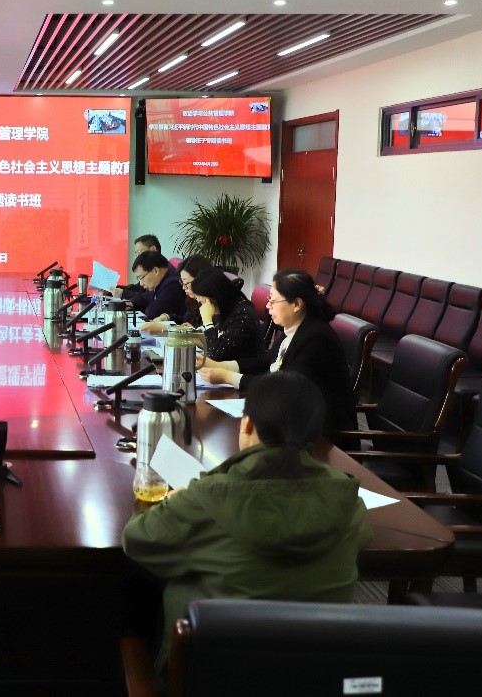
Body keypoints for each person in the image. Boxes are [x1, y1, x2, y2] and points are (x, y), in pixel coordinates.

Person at [122, 371, 372, 669]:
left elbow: (137, 540)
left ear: (247, 423)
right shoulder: (347, 499)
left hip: (209, 677)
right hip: (313, 677)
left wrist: (177, 501)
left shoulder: (208, 498)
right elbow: (364, 535)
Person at [199, 268, 355, 433]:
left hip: (319, 432)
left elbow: (285, 389)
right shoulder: (295, 327)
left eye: (273, 301)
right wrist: (222, 365)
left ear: (296, 304)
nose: (268, 306)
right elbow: (266, 360)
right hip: (291, 417)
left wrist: (228, 377)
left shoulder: (316, 338)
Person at [168, 267, 265, 362]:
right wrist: (191, 335)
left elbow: (216, 354)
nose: (202, 307)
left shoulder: (242, 314)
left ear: (214, 296)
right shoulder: (226, 308)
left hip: (241, 370)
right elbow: (215, 342)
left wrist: (207, 321)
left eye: (203, 302)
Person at [129, 250, 185, 325]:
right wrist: (129, 303)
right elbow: (145, 297)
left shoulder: (173, 285)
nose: (141, 283)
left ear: (156, 271)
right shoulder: (161, 282)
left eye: (141, 278)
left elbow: (152, 313)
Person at [112, 235, 162, 302]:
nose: (136, 257)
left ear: (153, 249)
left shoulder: (162, 271)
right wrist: (112, 289)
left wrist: (122, 293)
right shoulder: (148, 269)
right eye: (135, 254)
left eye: (139, 252)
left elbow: (148, 298)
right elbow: (136, 288)